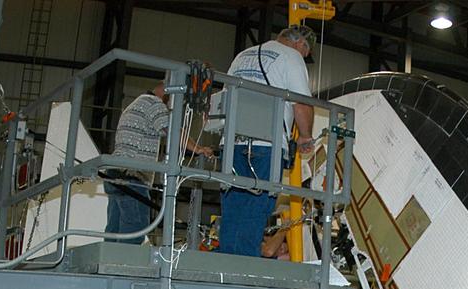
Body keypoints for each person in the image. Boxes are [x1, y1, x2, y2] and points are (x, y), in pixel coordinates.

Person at [218, 25, 315, 257]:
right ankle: (245, 271)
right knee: (257, 206)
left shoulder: (243, 56)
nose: (303, 56)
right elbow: (301, 103)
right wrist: (304, 137)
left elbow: (224, 98)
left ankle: (226, 264)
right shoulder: (292, 57)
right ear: (301, 44)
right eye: (306, 52)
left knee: (233, 206)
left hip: (232, 143)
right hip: (265, 146)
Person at [104, 82, 206, 241]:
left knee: (114, 228)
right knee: (135, 230)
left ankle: (109, 262)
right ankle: (124, 264)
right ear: (168, 95)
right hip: (132, 175)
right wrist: (198, 149)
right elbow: (172, 130)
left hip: (115, 172)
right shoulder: (155, 103)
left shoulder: (137, 103)